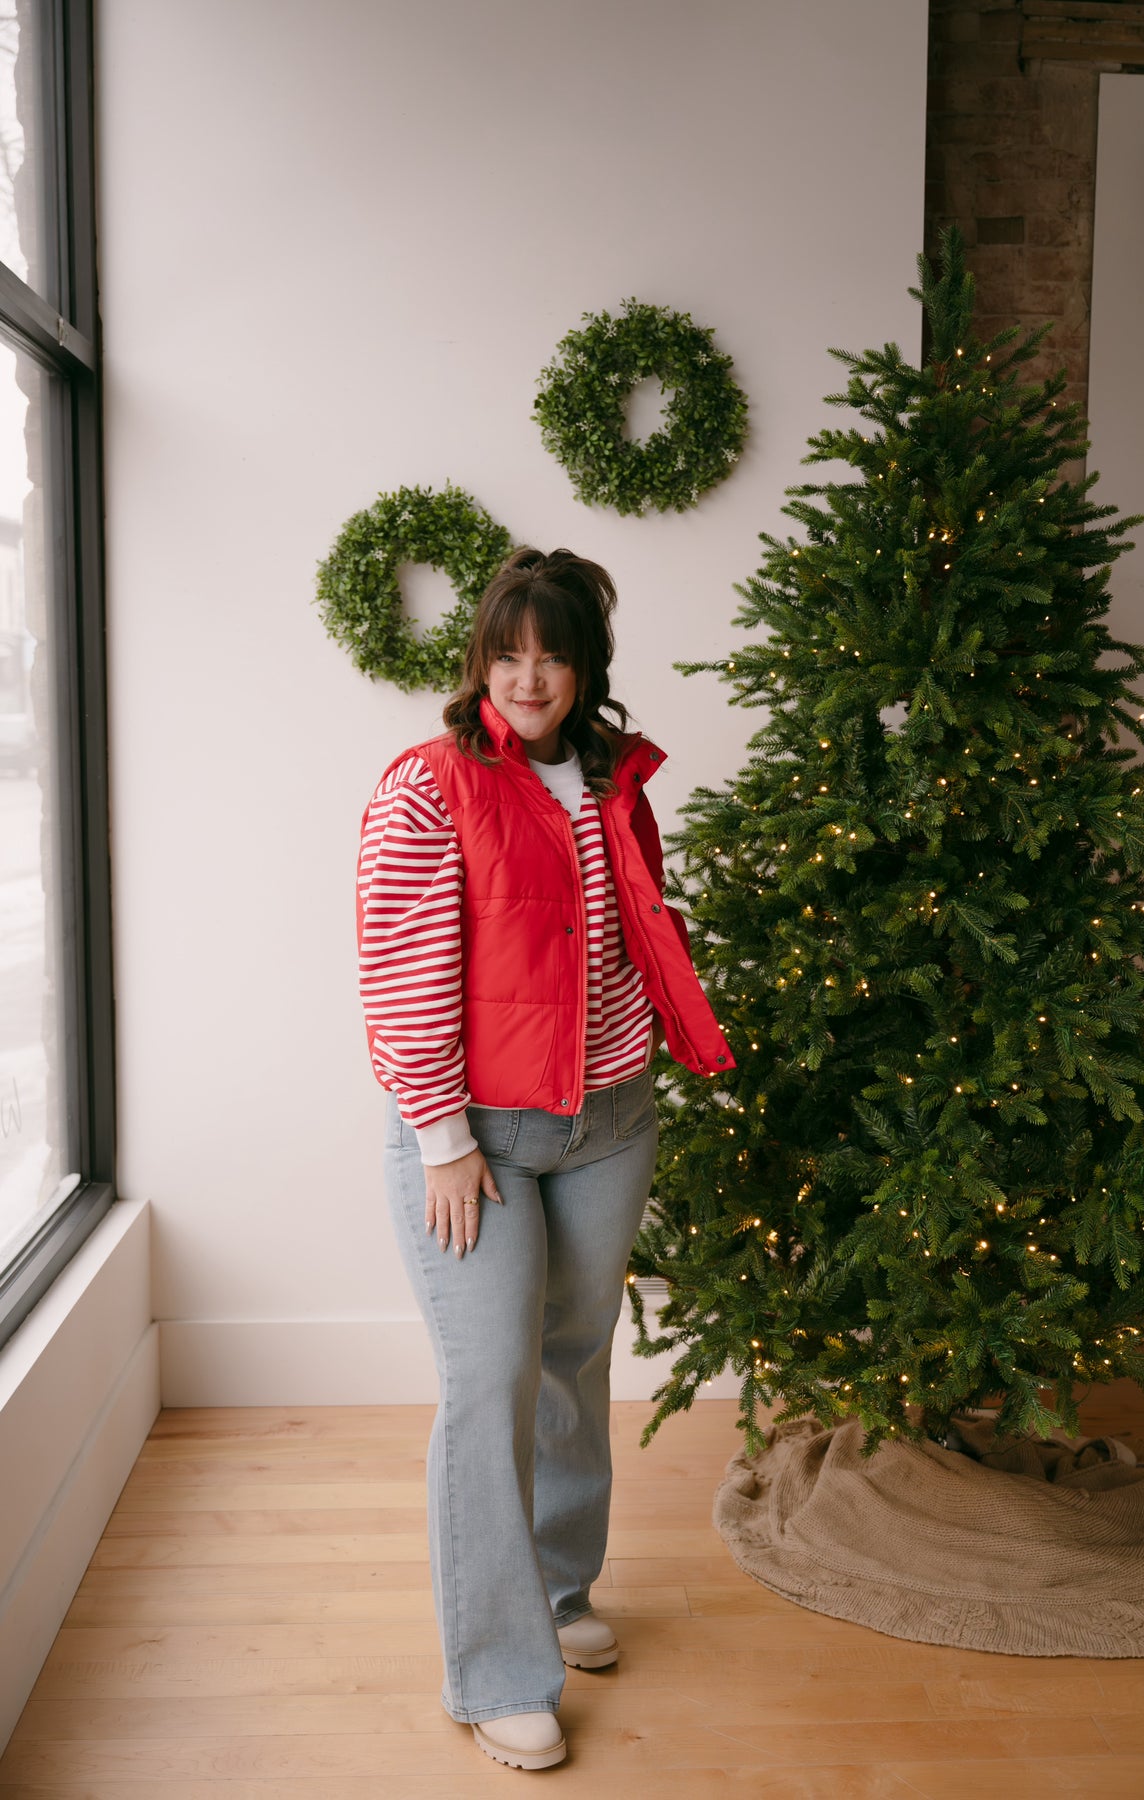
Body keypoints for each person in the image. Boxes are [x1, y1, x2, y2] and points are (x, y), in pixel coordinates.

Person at [355, 546, 733, 1771]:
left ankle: (559, 1593)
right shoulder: (430, 786)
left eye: (552, 656)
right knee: (489, 1382)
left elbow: (629, 930)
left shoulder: (615, 774)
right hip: (479, 1138)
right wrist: (440, 1137)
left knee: (573, 1356)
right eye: (508, 654)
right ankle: (497, 1671)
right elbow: (400, 967)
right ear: (480, 660)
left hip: (609, 1120)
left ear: (584, 669)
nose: (528, 678)